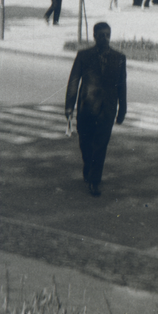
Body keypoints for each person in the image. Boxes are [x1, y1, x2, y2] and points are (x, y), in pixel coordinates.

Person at [65, 21, 126, 197]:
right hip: (86, 108)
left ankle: (94, 181)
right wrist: (69, 107)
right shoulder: (84, 56)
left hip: (107, 110)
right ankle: (88, 167)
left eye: (107, 35)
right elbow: (74, 82)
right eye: (101, 35)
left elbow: (122, 87)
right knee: (85, 143)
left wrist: (122, 110)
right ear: (94, 37)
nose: (104, 39)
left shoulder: (119, 58)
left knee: (100, 146)